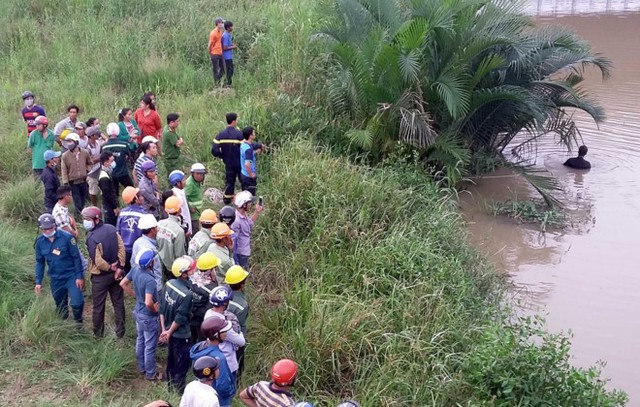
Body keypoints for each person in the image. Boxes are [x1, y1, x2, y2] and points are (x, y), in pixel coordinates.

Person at [82, 206, 126, 338]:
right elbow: (121, 248)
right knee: (118, 302)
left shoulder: (92, 238)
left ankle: (98, 335)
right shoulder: (112, 229)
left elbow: (97, 261)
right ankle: (121, 331)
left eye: (86, 219)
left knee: (98, 307)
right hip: (116, 274)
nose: (85, 222)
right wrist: (119, 267)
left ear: (95, 219)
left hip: (100, 278)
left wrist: (109, 267)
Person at [120, 248, 164, 381]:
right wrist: (154, 310)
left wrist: (134, 295)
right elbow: (148, 302)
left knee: (140, 339)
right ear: (150, 263)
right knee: (150, 345)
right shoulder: (149, 280)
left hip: (138, 312)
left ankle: (141, 367)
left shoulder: (135, 270)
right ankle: (151, 373)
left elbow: (123, 283)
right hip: (147, 316)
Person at [34, 213, 85, 323]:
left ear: (55, 226)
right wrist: (38, 281)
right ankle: (63, 325)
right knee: (60, 306)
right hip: (55, 278)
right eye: (44, 229)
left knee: (77, 303)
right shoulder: (39, 242)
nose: (47, 231)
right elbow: (39, 262)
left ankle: (79, 324)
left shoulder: (67, 238)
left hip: (71, 275)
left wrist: (79, 276)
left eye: (50, 228)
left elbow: (76, 258)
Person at [160, 256, 196, 394]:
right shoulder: (187, 294)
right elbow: (180, 318)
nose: (193, 272)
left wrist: (164, 330)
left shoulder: (169, 284)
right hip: (181, 335)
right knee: (182, 365)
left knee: (171, 360)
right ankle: (180, 393)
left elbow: (162, 309)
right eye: (190, 270)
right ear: (183, 273)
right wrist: (169, 332)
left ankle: (169, 387)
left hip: (169, 331)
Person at [190, 317, 236, 407]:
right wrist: (230, 392)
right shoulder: (219, 358)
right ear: (216, 335)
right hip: (219, 399)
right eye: (224, 331)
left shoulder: (198, 348)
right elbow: (223, 386)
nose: (226, 333)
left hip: (202, 393)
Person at [203, 286, 245, 381]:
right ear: (225, 303)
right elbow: (241, 341)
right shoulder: (224, 326)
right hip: (227, 362)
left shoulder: (208, 314)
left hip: (212, 357)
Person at [212, 113, 243, 204]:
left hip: (228, 163)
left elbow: (214, 150)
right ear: (233, 121)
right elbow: (246, 146)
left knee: (230, 182)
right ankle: (245, 201)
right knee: (243, 182)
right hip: (239, 163)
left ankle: (227, 201)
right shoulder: (239, 134)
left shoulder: (221, 135)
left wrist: (222, 155)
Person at [225, 265, 250, 380]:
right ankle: (237, 382)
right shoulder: (242, 305)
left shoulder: (223, 294)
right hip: (235, 337)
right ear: (242, 284)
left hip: (220, 334)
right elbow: (241, 325)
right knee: (238, 363)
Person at [189, 252, 221, 341]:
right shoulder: (212, 290)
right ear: (210, 270)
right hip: (202, 323)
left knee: (191, 341)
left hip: (189, 318)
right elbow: (208, 311)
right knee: (202, 345)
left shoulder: (190, 279)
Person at [60, 132, 93, 215]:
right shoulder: (65, 156)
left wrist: (87, 170)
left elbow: (90, 163)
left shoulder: (85, 153)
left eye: (70, 141)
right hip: (73, 183)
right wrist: (65, 182)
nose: (68, 144)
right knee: (77, 202)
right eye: (67, 141)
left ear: (76, 142)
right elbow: (64, 170)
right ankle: (78, 216)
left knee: (84, 199)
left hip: (83, 181)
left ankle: (83, 216)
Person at [231, 191, 263, 270]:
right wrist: (236, 261)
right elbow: (234, 241)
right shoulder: (236, 221)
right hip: (241, 254)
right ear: (244, 204)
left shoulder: (243, 214)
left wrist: (257, 212)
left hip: (245, 252)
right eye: (249, 203)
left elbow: (250, 224)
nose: (251, 205)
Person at [117, 186, 147, 271]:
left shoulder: (122, 213)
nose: (142, 197)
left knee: (127, 272)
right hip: (138, 249)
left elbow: (118, 231)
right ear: (135, 198)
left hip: (124, 250)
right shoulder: (143, 214)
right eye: (140, 195)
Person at [157, 196, 187, 280]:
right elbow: (179, 254)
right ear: (179, 210)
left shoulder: (159, 224)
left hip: (161, 264)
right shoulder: (179, 231)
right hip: (173, 269)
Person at [132, 214, 163, 292]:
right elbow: (156, 272)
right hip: (152, 288)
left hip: (139, 282)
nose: (157, 229)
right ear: (152, 229)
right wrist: (158, 290)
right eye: (156, 227)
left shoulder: (137, 242)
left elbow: (133, 263)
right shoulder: (151, 250)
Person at [102, 122, 134, 191]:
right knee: (132, 191)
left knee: (114, 194)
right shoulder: (124, 145)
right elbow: (130, 155)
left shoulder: (104, 146)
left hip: (111, 174)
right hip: (123, 173)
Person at [97, 151, 119, 226]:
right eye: (112, 161)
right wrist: (114, 207)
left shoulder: (107, 173)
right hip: (109, 207)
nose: (113, 163)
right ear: (105, 163)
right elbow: (107, 194)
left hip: (110, 205)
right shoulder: (104, 177)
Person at [185, 163, 207, 233]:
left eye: (201, 174)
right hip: (193, 214)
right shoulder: (189, 184)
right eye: (197, 174)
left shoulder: (197, 182)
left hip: (197, 212)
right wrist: (191, 208)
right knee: (195, 230)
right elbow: (184, 197)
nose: (199, 176)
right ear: (192, 174)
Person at [170, 170, 193, 236]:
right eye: (183, 180)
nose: (185, 182)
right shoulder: (177, 195)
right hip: (184, 226)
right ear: (178, 183)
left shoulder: (181, 191)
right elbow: (181, 213)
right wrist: (185, 227)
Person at [86, 126, 104, 206]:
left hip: (99, 168)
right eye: (96, 134)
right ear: (92, 136)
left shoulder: (97, 143)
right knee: (93, 190)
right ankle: (94, 205)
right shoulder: (87, 147)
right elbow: (89, 161)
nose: (98, 135)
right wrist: (100, 157)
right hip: (91, 171)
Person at [240, 126, 259, 196]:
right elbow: (247, 164)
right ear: (250, 136)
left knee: (245, 196)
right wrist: (252, 175)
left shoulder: (243, 144)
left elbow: (245, 156)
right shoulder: (248, 149)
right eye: (253, 133)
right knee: (249, 197)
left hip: (243, 174)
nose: (255, 134)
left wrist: (255, 152)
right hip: (248, 177)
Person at [209, 18, 225, 86]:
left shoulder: (220, 31)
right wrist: (210, 54)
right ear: (218, 23)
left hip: (220, 52)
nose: (222, 24)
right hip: (214, 53)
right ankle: (216, 84)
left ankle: (218, 81)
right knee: (215, 69)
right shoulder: (213, 33)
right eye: (221, 23)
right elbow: (210, 45)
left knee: (223, 69)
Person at [221, 21, 236, 86]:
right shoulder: (225, 36)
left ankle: (228, 83)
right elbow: (224, 48)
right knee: (230, 71)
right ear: (227, 28)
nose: (232, 28)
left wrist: (231, 45)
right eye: (231, 27)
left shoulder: (228, 35)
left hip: (229, 56)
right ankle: (228, 84)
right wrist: (233, 47)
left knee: (230, 70)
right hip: (227, 57)